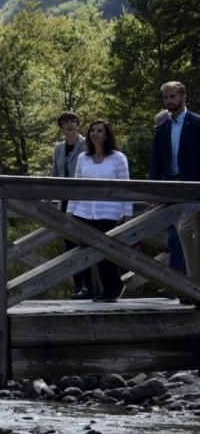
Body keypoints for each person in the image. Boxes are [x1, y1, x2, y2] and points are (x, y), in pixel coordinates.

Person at [68, 119, 133, 302]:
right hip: (84, 212)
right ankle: (90, 289)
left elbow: (126, 188)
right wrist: (71, 210)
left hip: (109, 212)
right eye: (92, 130)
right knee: (85, 253)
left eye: (99, 131)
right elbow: (76, 187)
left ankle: (113, 288)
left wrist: (128, 214)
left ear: (107, 135)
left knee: (106, 253)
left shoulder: (118, 158)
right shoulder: (83, 158)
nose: (95, 133)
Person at [151, 81, 200, 279]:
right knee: (182, 234)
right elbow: (156, 160)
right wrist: (151, 189)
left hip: (195, 188)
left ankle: (193, 283)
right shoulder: (162, 128)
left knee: (185, 230)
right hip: (172, 188)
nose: (169, 101)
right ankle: (193, 283)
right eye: (166, 97)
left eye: (173, 96)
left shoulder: (197, 123)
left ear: (183, 97)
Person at [53, 111, 93, 299]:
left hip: (83, 200)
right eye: (65, 122)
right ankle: (79, 287)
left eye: (73, 122)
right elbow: (55, 175)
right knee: (70, 246)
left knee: (85, 243)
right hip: (65, 201)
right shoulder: (59, 148)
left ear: (78, 125)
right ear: (61, 127)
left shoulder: (87, 144)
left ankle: (90, 286)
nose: (69, 125)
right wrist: (53, 201)